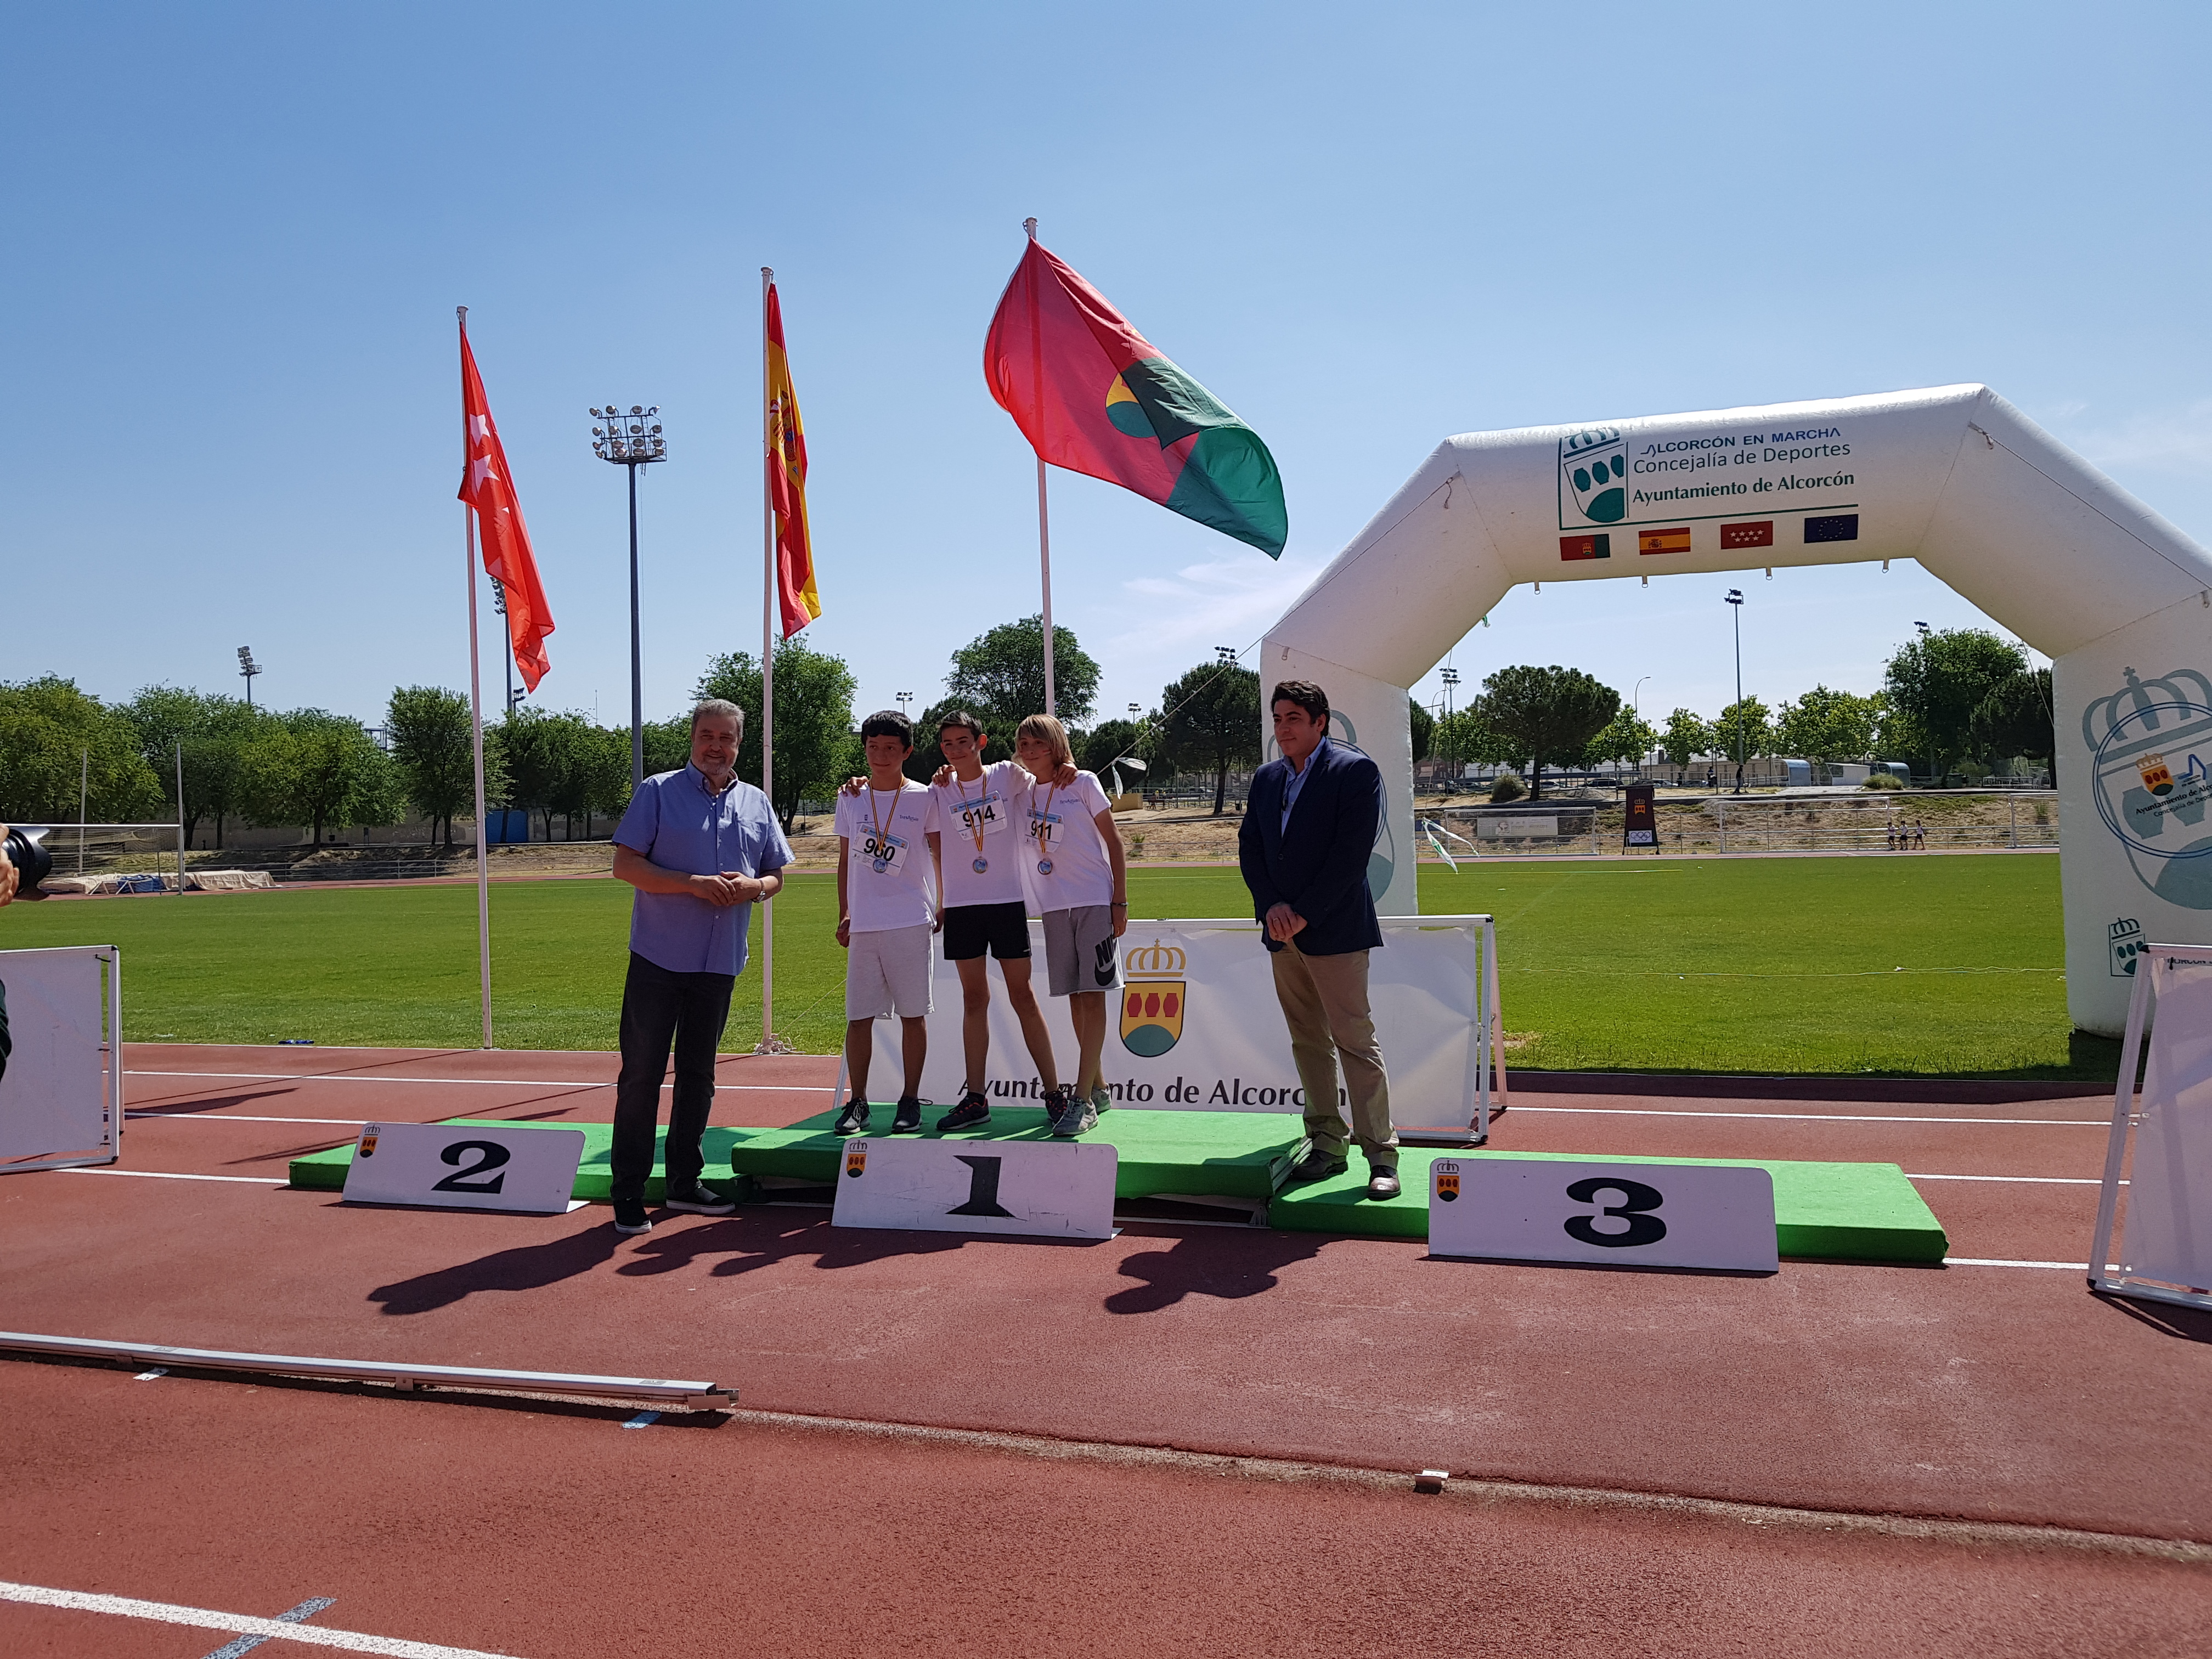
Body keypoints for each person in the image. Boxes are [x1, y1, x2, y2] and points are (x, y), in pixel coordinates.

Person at [607, 698, 792, 1237]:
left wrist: (755, 887)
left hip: (719, 962)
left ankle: (684, 1183)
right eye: (707, 735)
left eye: (726, 737)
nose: (716, 746)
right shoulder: (658, 792)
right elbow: (625, 865)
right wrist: (692, 884)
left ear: (739, 743)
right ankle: (628, 1192)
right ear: (692, 738)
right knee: (641, 1076)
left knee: (699, 1077)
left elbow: (776, 875)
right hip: (658, 958)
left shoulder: (756, 802)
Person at [1238, 680, 1401, 1199]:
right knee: (1307, 1041)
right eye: (1278, 718)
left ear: (1320, 722)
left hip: (1336, 931)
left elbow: (1350, 857)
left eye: (1293, 718)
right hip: (1281, 933)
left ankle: (1382, 1154)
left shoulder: (1355, 771)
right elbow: (1251, 847)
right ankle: (1327, 1144)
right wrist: (1272, 906)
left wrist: (1303, 913)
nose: (1283, 728)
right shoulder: (1267, 778)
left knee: (1355, 1041)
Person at [927, 711, 1067, 1131]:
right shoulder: (940, 789)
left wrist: (1068, 766)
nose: (956, 750)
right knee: (975, 1000)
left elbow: (1047, 776)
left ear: (981, 742)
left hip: (1006, 902)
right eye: (948, 743)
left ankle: (1054, 1093)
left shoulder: (1007, 775)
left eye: (963, 741)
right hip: (963, 908)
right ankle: (976, 1099)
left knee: (1023, 996)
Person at [1013, 714, 1127, 1137]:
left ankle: (1081, 1100)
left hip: (1093, 901)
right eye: (1024, 744)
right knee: (1076, 1000)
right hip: (1054, 907)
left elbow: (1114, 843)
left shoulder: (1083, 783)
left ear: (1056, 745)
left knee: (1093, 998)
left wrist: (1119, 901)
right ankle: (1099, 1088)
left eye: (1038, 743)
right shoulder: (1022, 791)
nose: (1030, 751)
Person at [833, 710, 942, 1137]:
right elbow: (845, 860)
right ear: (864, 748)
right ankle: (858, 1101)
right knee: (859, 1017)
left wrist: (942, 903)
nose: (881, 756)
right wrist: (845, 910)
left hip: (910, 919)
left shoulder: (925, 797)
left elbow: (940, 854)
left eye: (891, 749)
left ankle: (910, 1100)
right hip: (865, 924)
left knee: (913, 1015)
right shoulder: (850, 797)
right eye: (873, 747)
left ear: (907, 752)